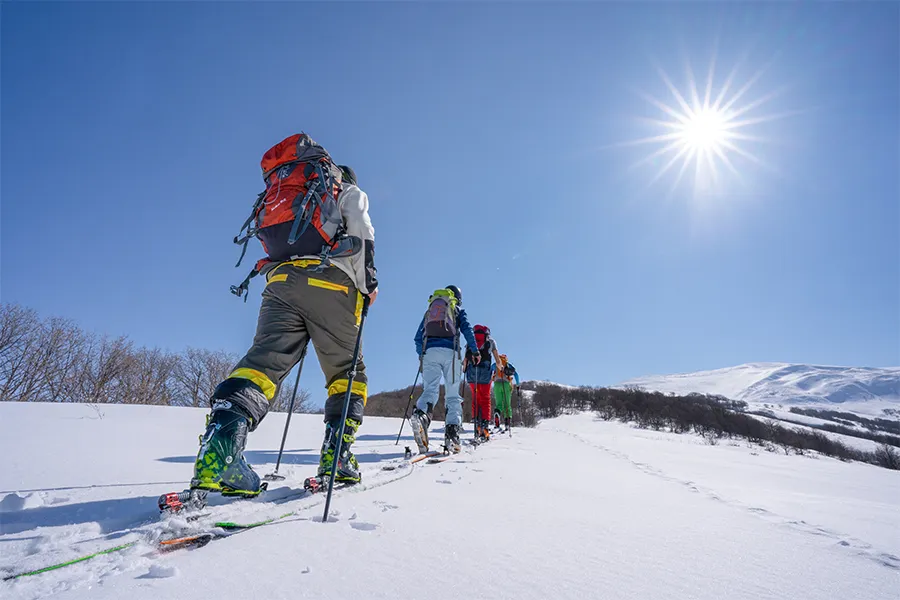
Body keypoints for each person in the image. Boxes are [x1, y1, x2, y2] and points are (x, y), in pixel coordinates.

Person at [191, 137, 378, 496]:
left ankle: (221, 451)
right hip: (333, 283)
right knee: (347, 372)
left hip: (279, 282)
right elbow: (362, 236)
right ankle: (337, 457)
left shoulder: (287, 188)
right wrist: (368, 287)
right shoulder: (348, 190)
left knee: (261, 364)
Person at [411, 286, 478, 454]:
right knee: (453, 395)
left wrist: (423, 355)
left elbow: (418, 337)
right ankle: (452, 434)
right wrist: (475, 351)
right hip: (451, 354)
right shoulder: (457, 310)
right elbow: (468, 330)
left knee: (430, 390)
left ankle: (421, 415)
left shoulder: (430, 311)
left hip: (430, 353)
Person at [464, 324, 502, 441]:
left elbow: (465, 359)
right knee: (485, 399)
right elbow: (497, 359)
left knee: (476, 398)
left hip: (471, 373)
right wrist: (499, 369)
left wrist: (464, 370)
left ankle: (477, 424)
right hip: (485, 374)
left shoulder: (471, 340)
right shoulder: (491, 341)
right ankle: (485, 427)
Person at [492, 354, 519, 432]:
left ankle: (497, 415)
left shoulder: (495, 364)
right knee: (507, 404)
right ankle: (507, 423)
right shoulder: (508, 364)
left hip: (497, 384)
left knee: (499, 404)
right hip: (506, 385)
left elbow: (489, 372)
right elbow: (516, 375)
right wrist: (517, 385)